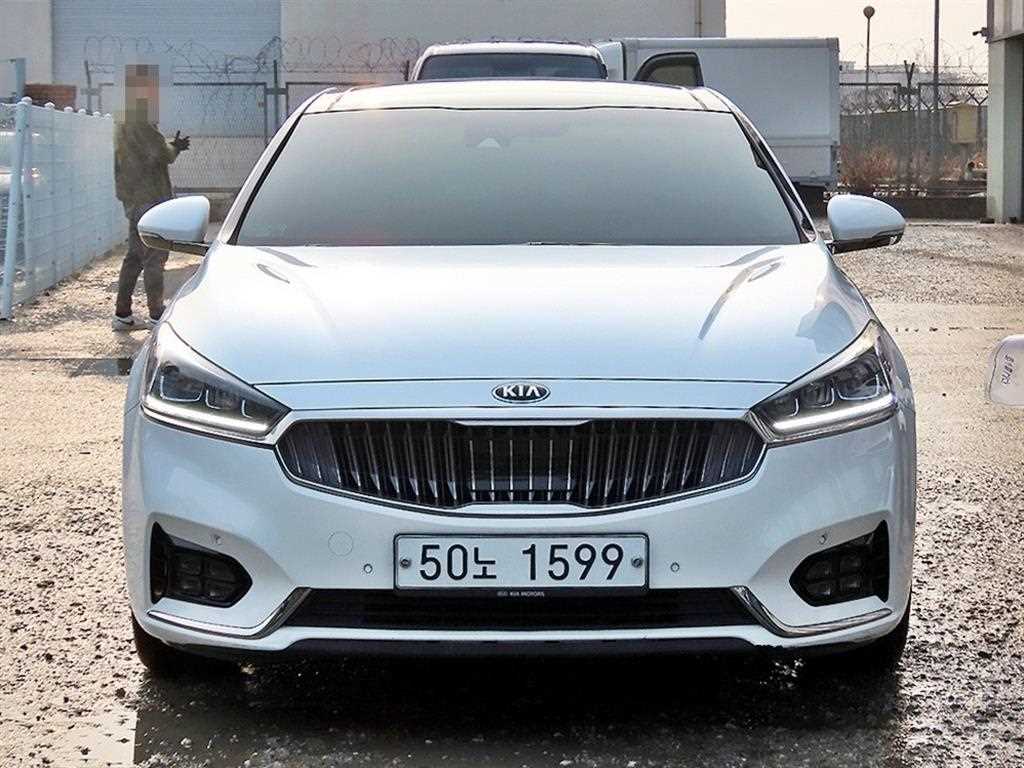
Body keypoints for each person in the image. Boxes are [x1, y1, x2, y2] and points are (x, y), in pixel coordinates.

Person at [112, 64, 190, 331]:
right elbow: (160, 154)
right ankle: (157, 313)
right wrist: (175, 147)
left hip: (134, 197)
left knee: (135, 256)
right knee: (155, 256)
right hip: (150, 197)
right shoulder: (140, 120)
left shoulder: (124, 120)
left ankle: (122, 313)